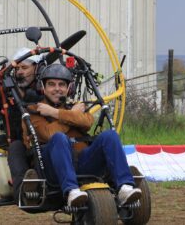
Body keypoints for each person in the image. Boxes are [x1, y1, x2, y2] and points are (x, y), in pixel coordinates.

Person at [22, 64, 141, 207]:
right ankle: (72, 190)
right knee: (59, 138)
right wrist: (72, 116)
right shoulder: (34, 110)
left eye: (61, 85)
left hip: (83, 161)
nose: (57, 89)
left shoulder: (73, 106)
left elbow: (88, 122)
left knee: (110, 136)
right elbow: (49, 134)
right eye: (51, 84)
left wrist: (56, 113)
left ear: (68, 88)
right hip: (53, 166)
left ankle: (124, 187)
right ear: (44, 88)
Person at [0, 47, 42, 203]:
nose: (19, 72)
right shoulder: (6, 93)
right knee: (16, 148)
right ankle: (23, 193)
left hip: (44, 142)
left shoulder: (48, 87)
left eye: (25, 68)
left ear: (37, 68)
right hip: (18, 146)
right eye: (17, 68)